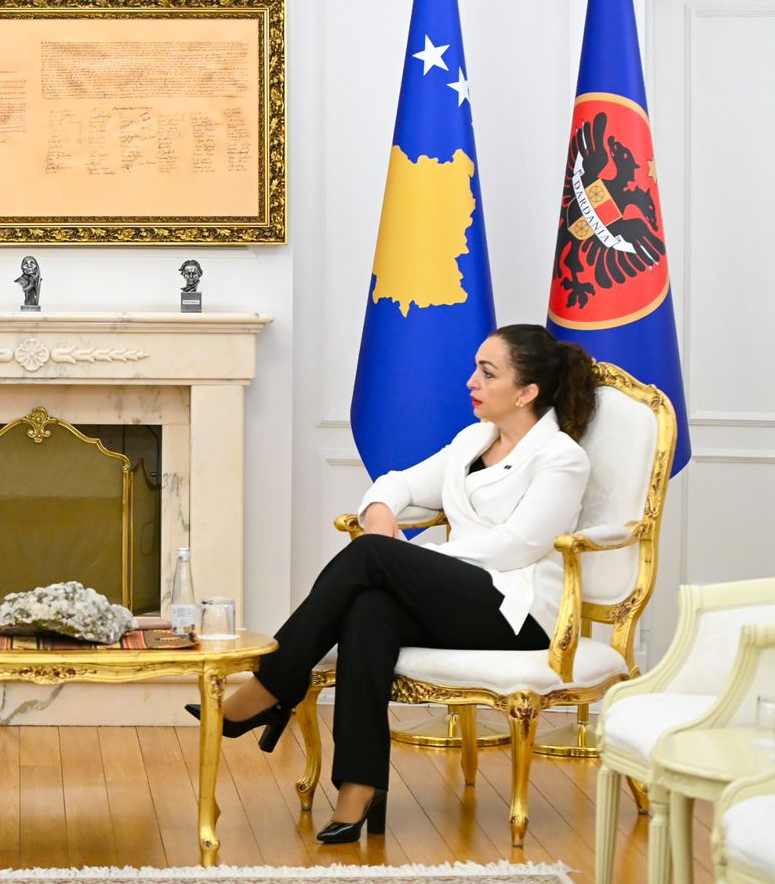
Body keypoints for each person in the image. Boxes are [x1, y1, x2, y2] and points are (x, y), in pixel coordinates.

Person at [191, 324, 597, 843]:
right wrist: (382, 510)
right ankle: (358, 788)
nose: (471, 381)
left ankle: (271, 687)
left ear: (526, 392)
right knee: (370, 611)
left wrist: (411, 558)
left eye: (487, 373)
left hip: (517, 612)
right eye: (475, 368)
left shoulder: (561, 457)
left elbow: (520, 545)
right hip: (461, 599)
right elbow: (397, 483)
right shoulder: (473, 440)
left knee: (373, 557)